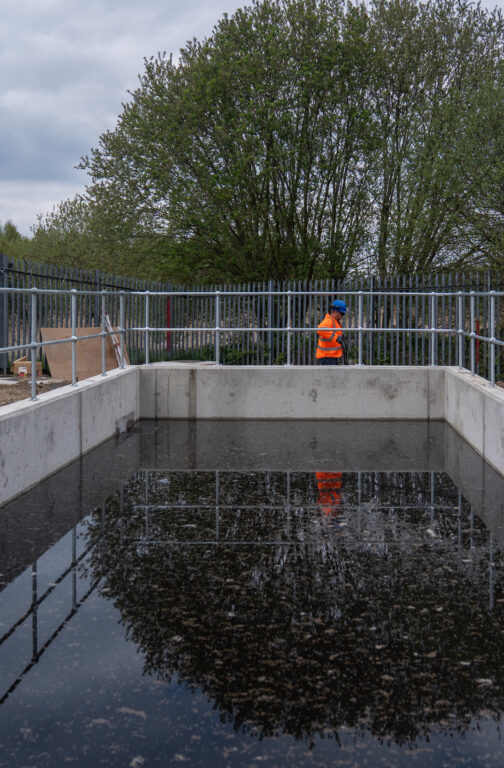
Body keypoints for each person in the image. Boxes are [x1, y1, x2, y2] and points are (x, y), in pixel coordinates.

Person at [316, 299, 347, 365]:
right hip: (327, 357)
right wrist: (337, 337)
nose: (342, 316)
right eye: (341, 313)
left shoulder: (335, 321)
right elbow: (321, 330)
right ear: (335, 311)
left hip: (331, 356)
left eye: (343, 314)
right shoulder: (329, 321)